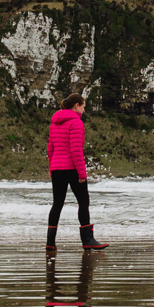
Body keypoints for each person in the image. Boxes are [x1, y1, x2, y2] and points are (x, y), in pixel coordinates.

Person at [46, 94, 108, 251]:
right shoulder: (76, 122)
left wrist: (52, 169)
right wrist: (82, 173)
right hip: (72, 168)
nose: (84, 109)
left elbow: (50, 149)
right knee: (83, 202)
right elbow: (75, 150)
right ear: (76, 106)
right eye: (83, 106)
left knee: (57, 204)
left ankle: (50, 243)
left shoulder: (54, 123)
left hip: (57, 168)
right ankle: (87, 240)